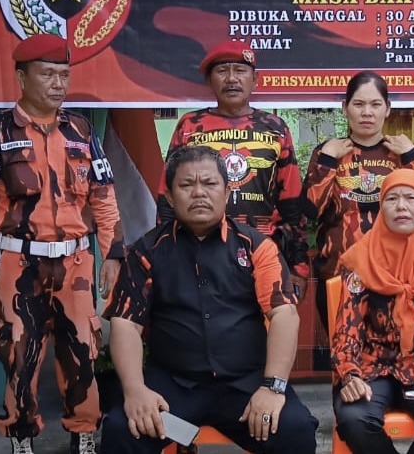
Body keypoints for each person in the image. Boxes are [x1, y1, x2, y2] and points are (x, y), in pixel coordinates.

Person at [0, 33, 124, 454]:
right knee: (18, 353)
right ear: (21, 76)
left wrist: (114, 254)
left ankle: (83, 433)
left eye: (64, 75)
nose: (57, 83)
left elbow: (104, 197)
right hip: (18, 264)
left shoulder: (82, 130)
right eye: (47, 74)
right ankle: (21, 437)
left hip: (76, 263)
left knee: (82, 351)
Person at [101, 145, 319, 454]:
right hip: (173, 394)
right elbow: (126, 324)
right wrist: (136, 391)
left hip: (246, 390)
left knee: (294, 431)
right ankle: (185, 436)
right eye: (187, 185)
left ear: (227, 191)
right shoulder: (146, 252)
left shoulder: (258, 247)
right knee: (123, 430)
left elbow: (284, 315)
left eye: (210, 183)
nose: (199, 193)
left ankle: (202, 431)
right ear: (171, 197)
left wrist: (272, 388)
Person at [332, 168, 414, 454]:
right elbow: (348, 327)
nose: (401, 206)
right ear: (381, 206)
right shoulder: (364, 255)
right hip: (370, 365)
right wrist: (349, 375)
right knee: (353, 419)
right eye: (391, 198)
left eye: (411, 198)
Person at [158, 41, 309, 296]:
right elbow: (168, 196)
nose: (231, 79)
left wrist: (299, 266)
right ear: (209, 81)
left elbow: (291, 202)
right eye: (222, 71)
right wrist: (165, 255)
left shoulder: (275, 128)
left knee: (263, 328)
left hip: (261, 249)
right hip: (197, 250)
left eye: (240, 71)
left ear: (255, 79)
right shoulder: (189, 126)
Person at [301, 70, 414, 336]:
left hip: (394, 275)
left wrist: (412, 156)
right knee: (344, 361)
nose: (367, 112)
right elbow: (310, 211)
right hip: (339, 273)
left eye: (375, 104)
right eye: (358, 104)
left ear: (388, 109)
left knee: (390, 358)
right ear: (345, 108)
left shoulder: (401, 152)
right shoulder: (329, 152)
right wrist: (327, 161)